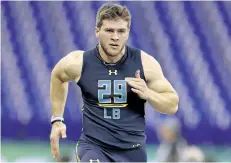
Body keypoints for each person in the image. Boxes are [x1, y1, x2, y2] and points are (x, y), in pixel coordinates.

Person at [49, 3, 179, 162]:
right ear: (97, 31)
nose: (115, 37)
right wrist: (57, 120)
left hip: (132, 151)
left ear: (128, 33)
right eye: (109, 30)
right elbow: (58, 75)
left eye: (121, 31)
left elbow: (172, 105)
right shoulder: (80, 62)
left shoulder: (145, 64)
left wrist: (149, 94)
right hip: (94, 147)